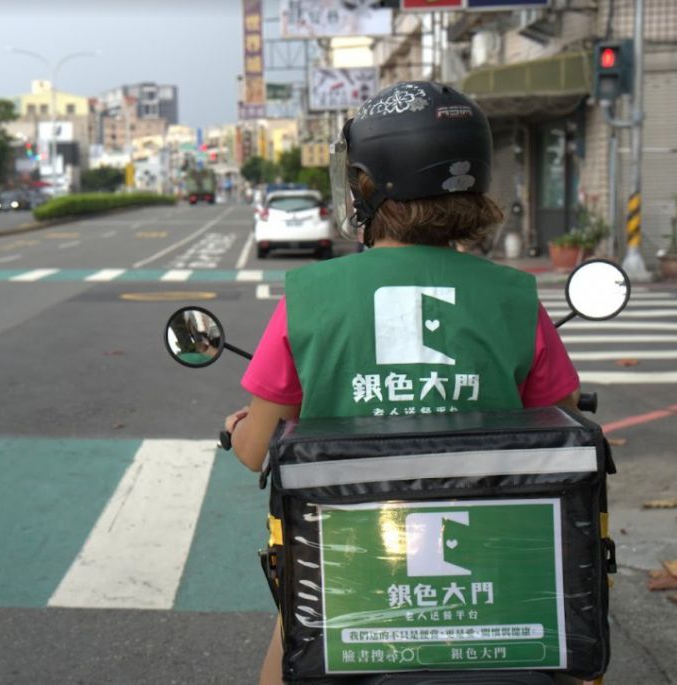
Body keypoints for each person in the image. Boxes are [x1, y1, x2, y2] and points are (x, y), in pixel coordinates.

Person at [221, 82, 582, 685]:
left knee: (282, 659)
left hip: (351, 568)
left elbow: (258, 449)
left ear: (366, 185)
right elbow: (563, 430)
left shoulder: (310, 295)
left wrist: (238, 430)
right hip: (492, 571)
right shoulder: (515, 297)